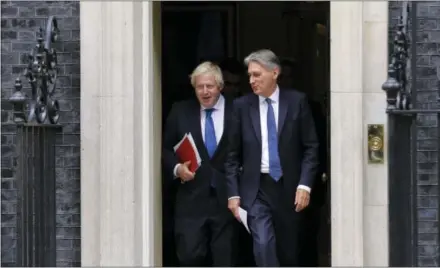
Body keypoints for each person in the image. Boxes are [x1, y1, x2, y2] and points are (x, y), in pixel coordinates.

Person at [225, 49, 319, 266]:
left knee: (288, 252)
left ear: (275, 73)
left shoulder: (297, 101)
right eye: (250, 75)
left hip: (290, 188)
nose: (251, 80)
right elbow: (232, 155)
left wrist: (305, 185)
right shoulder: (242, 106)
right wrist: (233, 194)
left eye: (257, 75)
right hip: (256, 189)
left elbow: (311, 148)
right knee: (263, 244)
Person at [162, 61, 237, 267]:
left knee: (226, 259)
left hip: (227, 200)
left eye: (209, 86)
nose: (204, 92)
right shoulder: (180, 111)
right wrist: (177, 169)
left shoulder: (238, 109)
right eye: (199, 87)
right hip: (191, 199)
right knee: (189, 257)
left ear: (220, 86)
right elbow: (164, 149)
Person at [279, 58, 329, 267]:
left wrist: (319, 179)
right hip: (272, 186)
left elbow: (318, 145)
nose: (284, 81)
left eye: (288, 77)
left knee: (306, 237)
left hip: (307, 182)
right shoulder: (256, 107)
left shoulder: (310, 106)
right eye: (282, 77)